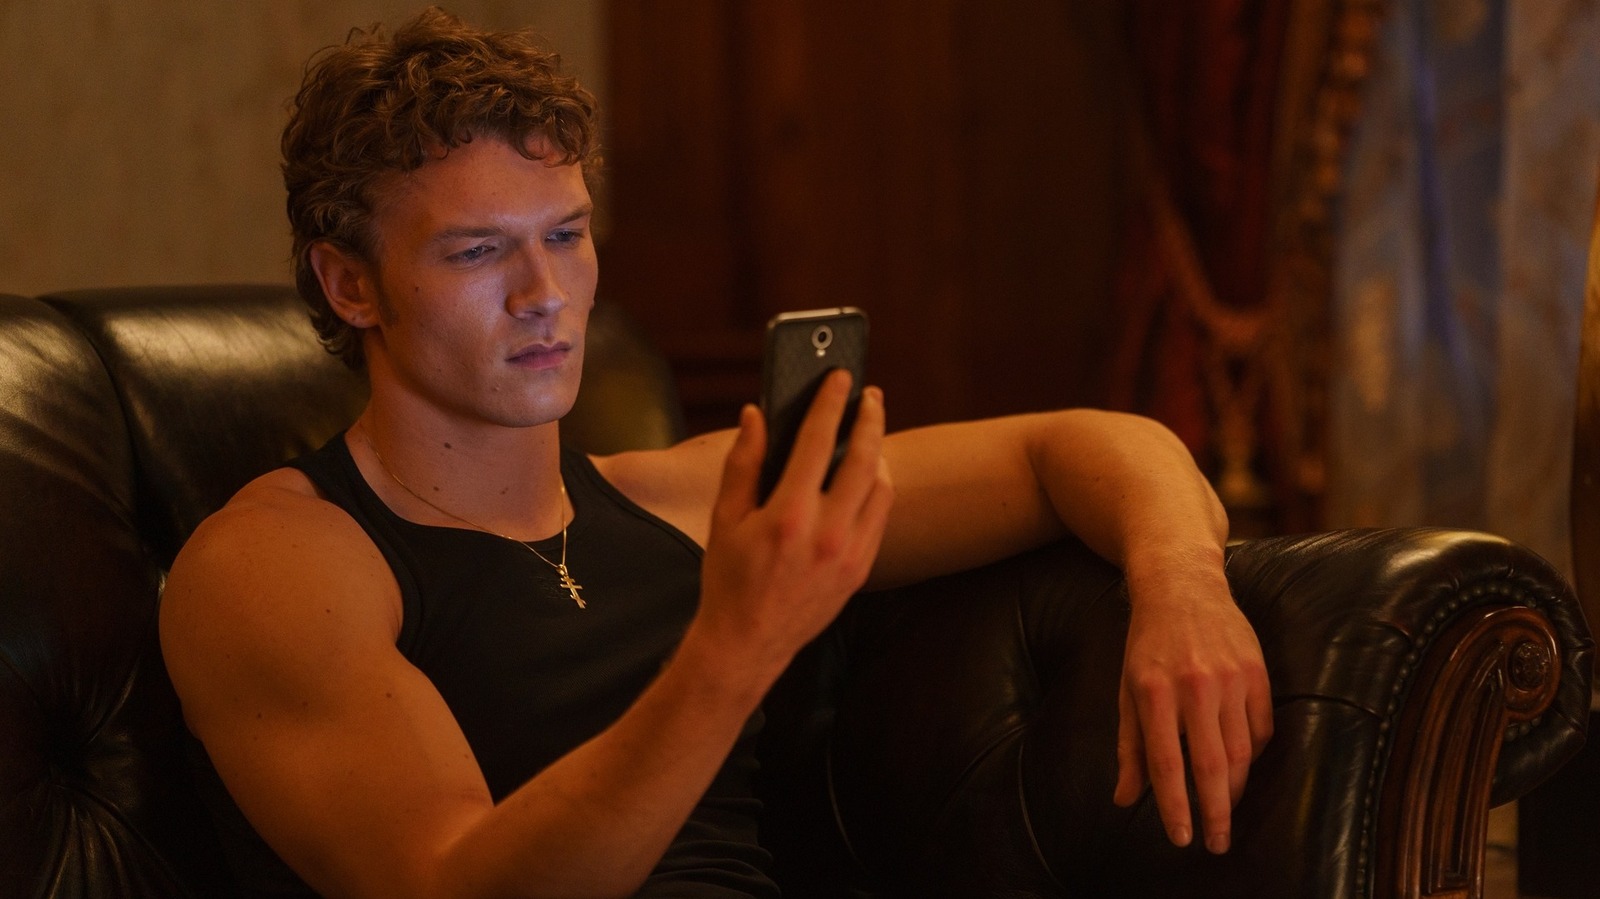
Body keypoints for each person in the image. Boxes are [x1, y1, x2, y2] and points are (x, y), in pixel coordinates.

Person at [159, 8, 1273, 898]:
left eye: (565, 234)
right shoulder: (277, 562)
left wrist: (1182, 585)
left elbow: (1075, 448)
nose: (545, 294)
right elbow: (451, 880)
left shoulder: (684, 500)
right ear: (350, 284)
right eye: (477, 251)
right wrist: (737, 641)